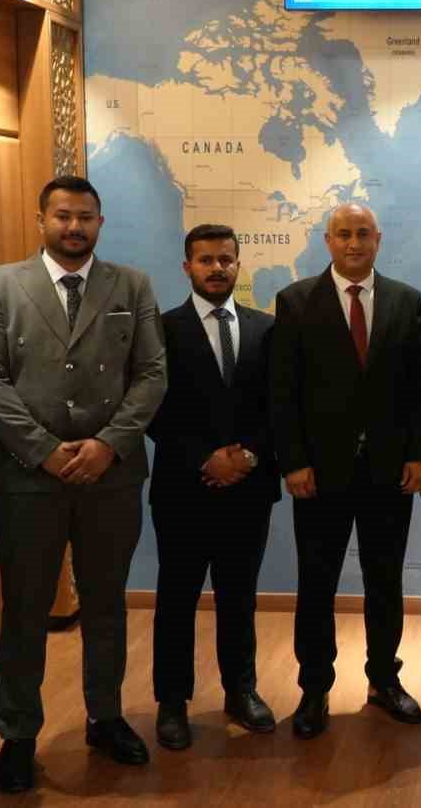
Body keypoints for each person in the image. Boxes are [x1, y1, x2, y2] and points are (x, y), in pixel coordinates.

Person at [0, 175, 167, 793]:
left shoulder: (131, 285)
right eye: (63, 216)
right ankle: (17, 735)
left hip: (112, 475)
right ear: (41, 221)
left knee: (106, 604)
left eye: (85, 217)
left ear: (100, 223)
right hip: (30, 478)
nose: (74, 227)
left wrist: (109, 444)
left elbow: (152, 373)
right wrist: (45, 451)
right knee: (25, 609)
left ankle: (105, 718)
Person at [270, 204, 421, 739]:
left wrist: (419, 454)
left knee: (385, 580)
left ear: (378, 239)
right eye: (344, 234)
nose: (354, 243)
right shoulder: (296, 301)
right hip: (319, 473)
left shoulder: (406, 300)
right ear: (328, 241)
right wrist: (294, 461)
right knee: (316, 582)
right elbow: (283, 391)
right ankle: (314, 689)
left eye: (363, 233)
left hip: (389, 471)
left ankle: (384, 679)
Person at [146, 224, 278, 750]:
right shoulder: (161, 329)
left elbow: (279, 405)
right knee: (176, 598)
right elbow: (151, 409)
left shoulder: (267, 329)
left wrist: (248, 456)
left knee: (239, 596)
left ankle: (241, 691)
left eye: (225, 259)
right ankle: (172, 702)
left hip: (249, 488)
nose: (217, 268)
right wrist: (206, 458)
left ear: (239, 264)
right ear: (187, 267)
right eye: (205, 260)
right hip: (183, 488)